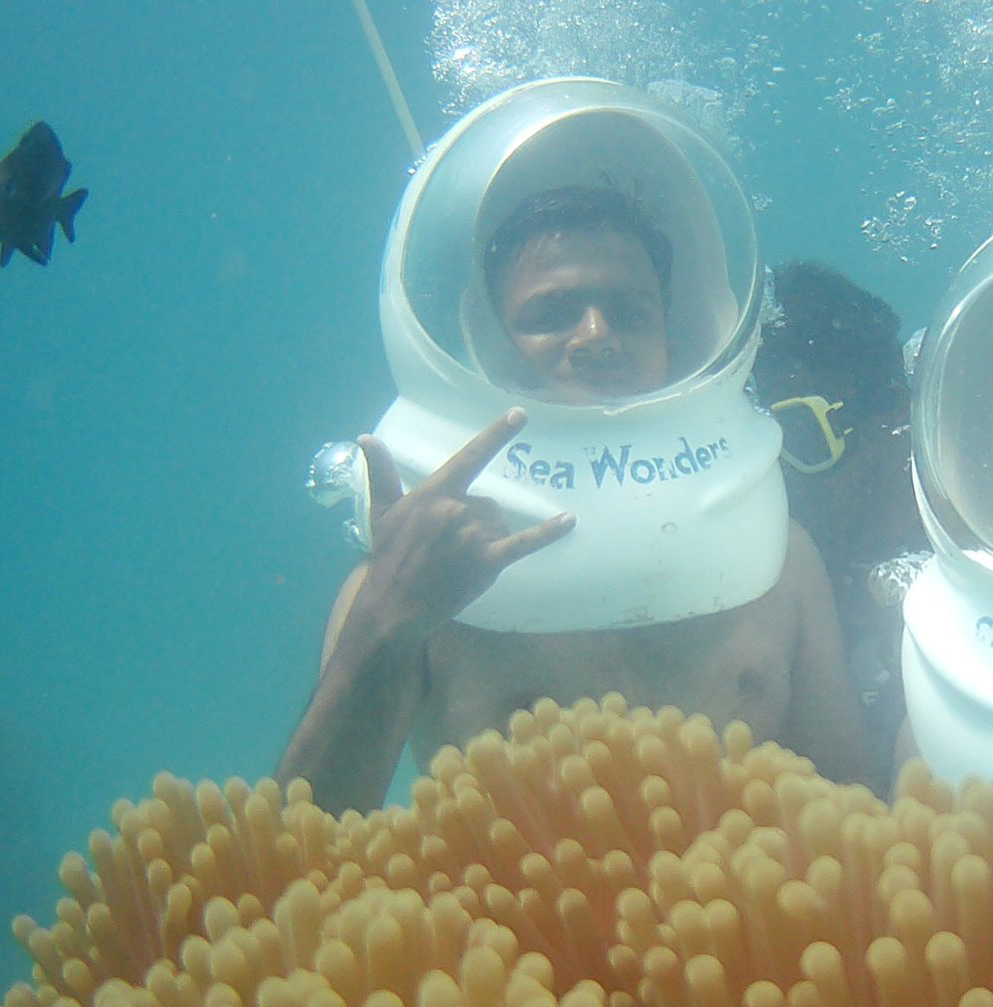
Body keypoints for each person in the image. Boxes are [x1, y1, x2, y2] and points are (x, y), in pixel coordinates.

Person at [280, 179, 868, 811]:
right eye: (551, 314)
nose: (595, 334)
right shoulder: (419, 567)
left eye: (630, 312)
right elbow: (307, 841)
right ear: (486, 342)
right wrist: (390, 619)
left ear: (673, 339)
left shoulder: (780, 557)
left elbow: (858, 823)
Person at [753, 261, 925, 784]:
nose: (778, 473)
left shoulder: (976, 527)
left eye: (800, 437)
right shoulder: (762, 571)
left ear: (896, 415)